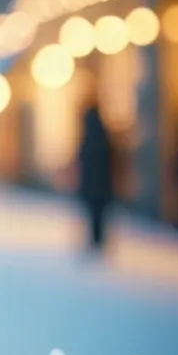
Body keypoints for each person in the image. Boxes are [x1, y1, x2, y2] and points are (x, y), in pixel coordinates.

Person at [78, 100, 114, 252]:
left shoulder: (89, 137)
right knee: (97, 214)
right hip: (101, 185)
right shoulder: (102, 136)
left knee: (94, 214)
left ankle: (96, 240)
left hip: (93, 185)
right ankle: (97, 240)